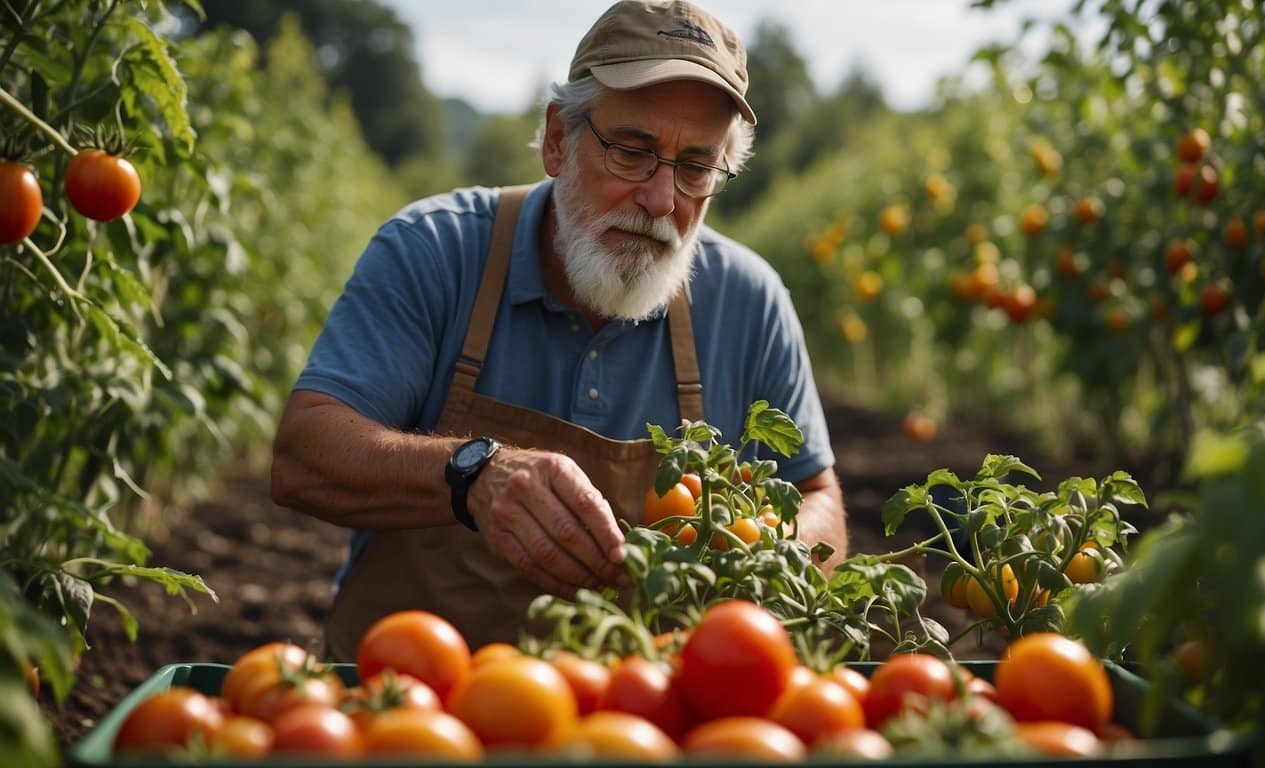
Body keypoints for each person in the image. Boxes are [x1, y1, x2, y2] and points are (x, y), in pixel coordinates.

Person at [270, 0, 847, 659]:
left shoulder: (747, 301)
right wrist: (470, 474)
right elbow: (304, 454)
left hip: (643, 722)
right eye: (631, 152)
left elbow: (814, 494)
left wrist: (765, 560)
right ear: (556, 139)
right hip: (413, 711)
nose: (661, 200)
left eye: (695, 167)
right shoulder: (436, 251)